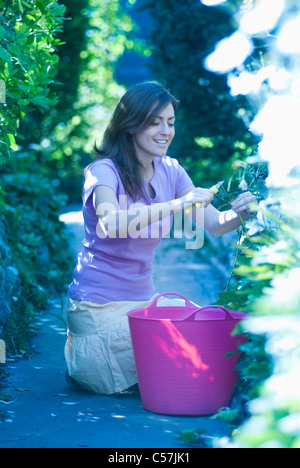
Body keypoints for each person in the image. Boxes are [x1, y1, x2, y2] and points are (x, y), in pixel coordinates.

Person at [65, 81, 257, 395]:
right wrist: (175, 204)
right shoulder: (103, 172)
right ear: (130, 126)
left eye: (170, 123)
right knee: (186, 363)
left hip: (142, 306)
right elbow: (111, 223)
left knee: (210, 332)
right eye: (154, 122)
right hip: (97, 310)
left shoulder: (171, 170)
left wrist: (241, 213)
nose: (165, 131)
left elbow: (216, 224)